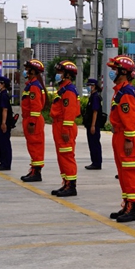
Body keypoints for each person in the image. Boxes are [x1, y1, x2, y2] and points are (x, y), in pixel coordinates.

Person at [106, 55, 135, 223]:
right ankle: (127, 204)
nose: (112, 72)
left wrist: (129, 139)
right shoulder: (120, 90)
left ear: (123, 72)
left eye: (114, 69)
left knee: (130, 172)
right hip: (120, 135)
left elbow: (130, 118)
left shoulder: (126, 92)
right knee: (123, 173)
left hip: (126, 136)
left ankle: (133, 209)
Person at [50, 61, 80, 197]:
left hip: (64, 125)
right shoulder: (63, 88)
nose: (58, 74)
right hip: (59, 125)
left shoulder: (69, 90)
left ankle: (71, 186)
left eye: (60, 72)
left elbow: (69, 111)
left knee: (67, 156)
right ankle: (66, 182)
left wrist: (66, 129)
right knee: (62, 156)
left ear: (67, 74)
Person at [20, 59, 47, 181]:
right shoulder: (31, 85)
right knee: (32, 146)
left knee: (36, 146)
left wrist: (31, 122)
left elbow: (35, 106)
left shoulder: (34, 86)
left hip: (33, 120)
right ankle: (34, 170)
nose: (25, 71)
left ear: (33, 71)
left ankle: (37, 172)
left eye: (27, 69)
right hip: (30, 119)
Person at [0, 76, 14, 171]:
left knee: (5, 143)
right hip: (0, 122)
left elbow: (5, 109)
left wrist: (3, 123)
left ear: (3, 84)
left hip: (3, 122)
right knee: (1, 143)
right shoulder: (1, 94)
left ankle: (6, 164)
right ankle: (2, 162)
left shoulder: (4, 95)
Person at [83, 78, 104, 170]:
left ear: (94, 86)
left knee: (94, 143)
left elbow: (95, 112)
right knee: (92, 143)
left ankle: (96, 163)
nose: (89, 87)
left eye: (90, 85)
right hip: (91, 124)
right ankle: (94, 162)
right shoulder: (92, 96)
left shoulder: (95, 97)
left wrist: (93, 125)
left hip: (94, 124)